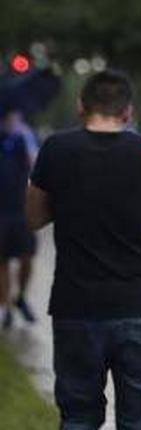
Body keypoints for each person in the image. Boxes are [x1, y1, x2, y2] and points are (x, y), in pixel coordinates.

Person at [25, 70, 141, 429]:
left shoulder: (57, 149)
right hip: (138, 305)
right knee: (140, 419)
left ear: (80, 106)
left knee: (78, 416)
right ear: (128, 112)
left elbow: (33, 217)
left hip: (76, 307)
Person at [0, 110, 38, 329]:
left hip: (21, 208)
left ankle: (20, 296)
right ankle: (4, 308)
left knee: (27, 256)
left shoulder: (24, 135)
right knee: (2, 259)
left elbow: (35, 163)